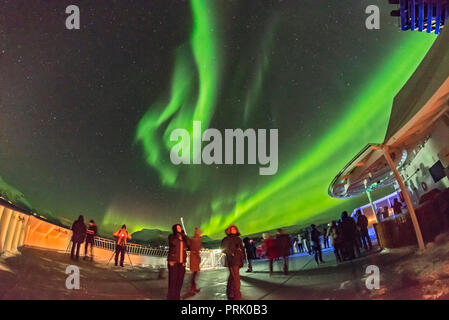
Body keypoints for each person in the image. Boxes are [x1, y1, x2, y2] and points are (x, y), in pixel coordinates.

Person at [221, 225, 245, 300]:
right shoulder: (226, 239)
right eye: (232, 229)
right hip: (232, 261)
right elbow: (224, 249)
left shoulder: (238, 239)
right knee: (236, 279)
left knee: (232, 278)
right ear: (229, 230)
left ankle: (230, 293)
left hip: (238, 260)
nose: (234, 230)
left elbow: (242, 249)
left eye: (235, 228)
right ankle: (238, 296)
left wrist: (242, 256)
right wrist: (231, 253)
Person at [167, 224, 189, 300]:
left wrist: (184, 236)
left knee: (180, 280)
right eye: (177, 228)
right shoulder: (171, 236)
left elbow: (189, 245)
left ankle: (177, 296)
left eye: (180, 227)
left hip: (182, 263)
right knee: (172, 281)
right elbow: (173, 243)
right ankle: (170, 297)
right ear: (174, 229)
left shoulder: (183, 237)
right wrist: (177, 235)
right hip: (173, 262)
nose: (179, 229)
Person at [188, 227, 202, 295]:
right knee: (194, 274)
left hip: (194, 257)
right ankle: (192, 288)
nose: (200, 233)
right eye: (199, 232)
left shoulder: (195, 238)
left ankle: (193, 288)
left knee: (195, 274)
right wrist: (198, 258)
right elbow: (196, 249)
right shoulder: (196, 239)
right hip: (195, 258)